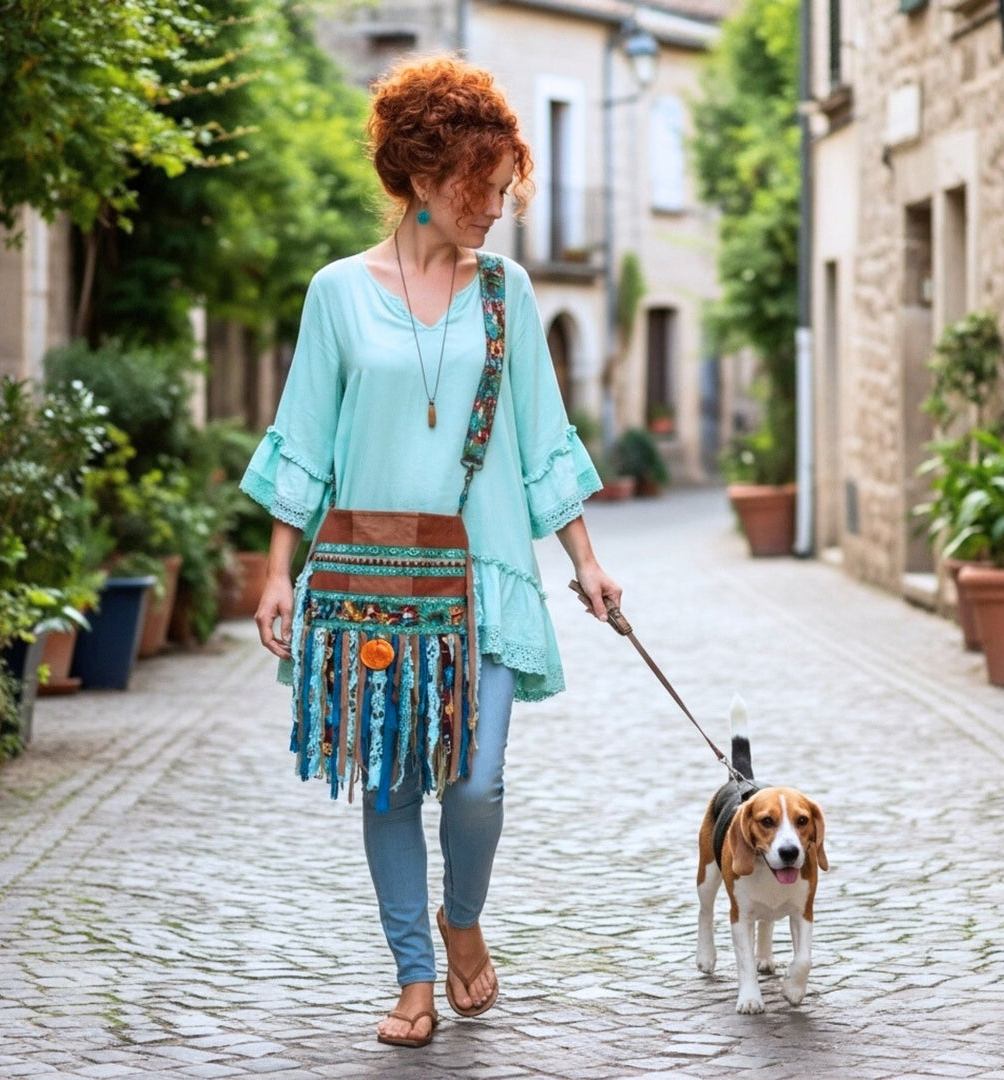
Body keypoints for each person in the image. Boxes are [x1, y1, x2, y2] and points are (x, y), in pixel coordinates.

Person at [240, 55, 621, 1048]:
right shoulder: (336, 294)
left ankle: (462, 918)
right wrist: (278, 572)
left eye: (502, 189)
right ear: (421, 177)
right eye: (478, 188)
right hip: (368, 580)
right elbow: (305, 438)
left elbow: (542, 433)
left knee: (477, 780)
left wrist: (583, 559)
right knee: (390, 784)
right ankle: (414, 977)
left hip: (482, 576)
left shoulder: (506, 293)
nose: (495, 208)